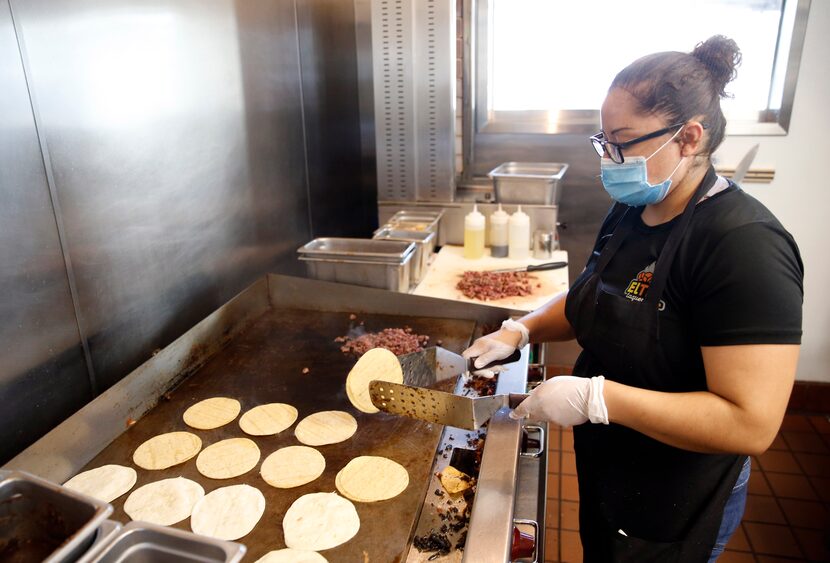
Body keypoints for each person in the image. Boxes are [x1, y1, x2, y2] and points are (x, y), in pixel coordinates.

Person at [463, 36, 803, 562]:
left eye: (623, 142)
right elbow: (590, 299)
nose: (610, 159)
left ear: (689, 137)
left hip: (674, 494)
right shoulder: (632, 210)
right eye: (604, 142)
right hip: (609, 466)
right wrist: (521, 329)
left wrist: (597, 399)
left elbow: (750, 423)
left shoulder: (743, 246)